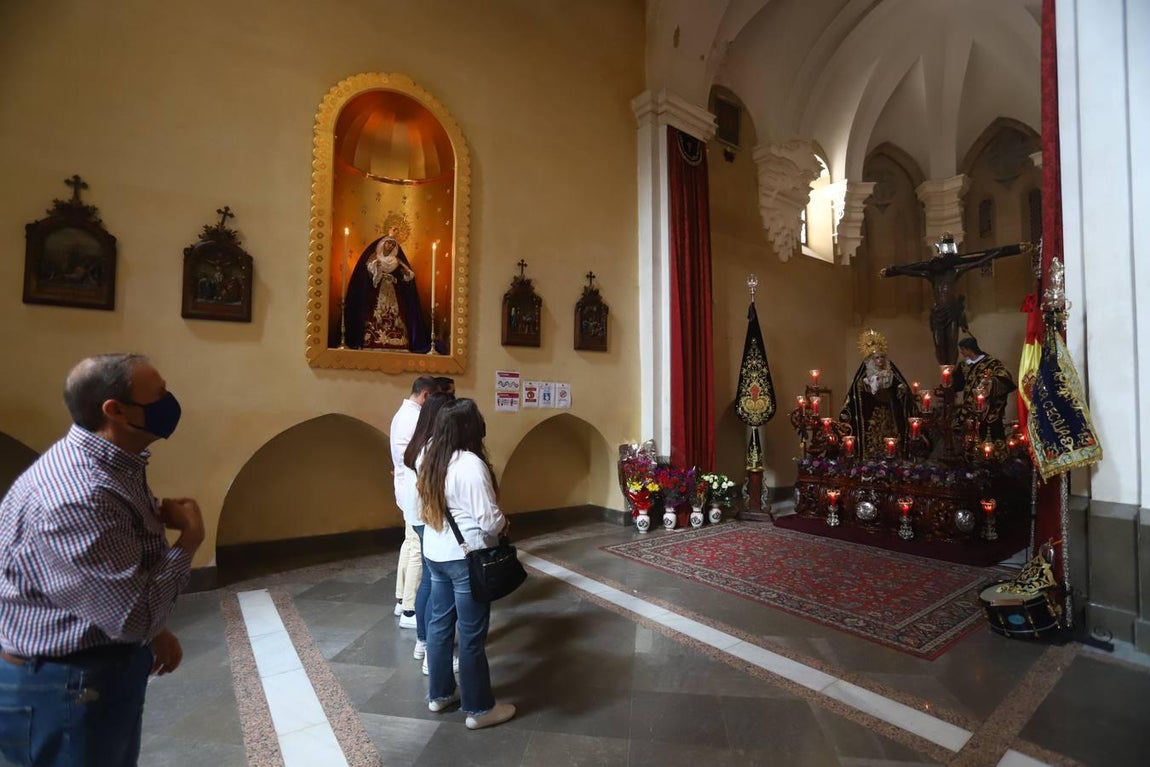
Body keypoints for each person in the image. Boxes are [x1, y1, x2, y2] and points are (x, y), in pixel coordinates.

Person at [0, 354, 203, 767]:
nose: (169, 401)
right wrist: (189, 541)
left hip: (96, 666)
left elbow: (111, 584)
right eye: (159, 394)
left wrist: (153, 630)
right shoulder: (79, 495)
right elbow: (130, 618)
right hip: (66, 686)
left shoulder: (113, 464)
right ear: (116, 410)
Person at [417, 398, 515, 730]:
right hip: (465, 557)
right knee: (472, 636)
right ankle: (480, 708)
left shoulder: (428, 454)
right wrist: (504, 524)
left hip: (435, 552)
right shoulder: (470, 464)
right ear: (471, 428)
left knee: (439, 626)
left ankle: (441, 693)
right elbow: (488, 519)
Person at [880, 234, 1031, 365]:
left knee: (952, 344)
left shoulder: (955, 271)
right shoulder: (932, 275)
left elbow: (979, 260)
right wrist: (894, 270)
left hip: (952, 311)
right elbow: (912, 272)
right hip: (938, 313)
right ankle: (944, 372)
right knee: (939, 344)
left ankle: (949, 375)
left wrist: (1012, 250)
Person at [402, 391, 456, 668]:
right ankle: (429, 646)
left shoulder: (419, 442)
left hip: (420, 514)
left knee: (428, 580)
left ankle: (423, 642)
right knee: (434, 586)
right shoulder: (434, 447)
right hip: (430, 520)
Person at [390, 376, 439, 629]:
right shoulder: (414, 417)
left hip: (405, 487)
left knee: (410, 544)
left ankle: (402, 599)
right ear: (427, 396)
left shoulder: (402, 414)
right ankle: (410, 610)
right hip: (414, 490)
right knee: (419, 551)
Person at [344, 235, 432, 351]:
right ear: (383, 243)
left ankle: (397, 338)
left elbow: (406, 278)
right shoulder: (374, 258)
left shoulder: (397, 261)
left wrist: (406, 274)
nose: (390, 246)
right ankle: (372, 337)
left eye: (393, 244)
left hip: (392, 292)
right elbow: (368, 278)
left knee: (394, 314)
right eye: (388, 243)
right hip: (376, 292)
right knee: (375, 313)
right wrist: (377, 270)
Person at [839, 329, 918, 459]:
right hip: (871, 415)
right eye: (877, 358)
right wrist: (864, 389)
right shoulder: (865, 375)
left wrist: (901, 390)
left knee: (890, 436)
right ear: (872, 360)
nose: (880, 360)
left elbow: (900, 387)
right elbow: (855, 394)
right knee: (873, 439)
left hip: (889, 412)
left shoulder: (890, 372)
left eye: (882, 357)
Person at [954, 336, 1017, 444]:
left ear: (969, 349)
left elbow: (1005, 378)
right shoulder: (964, 365)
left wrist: (990, 384)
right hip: (969, 409)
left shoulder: (991, 363)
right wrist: (948, 382)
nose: (961, 352)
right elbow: (958, 385)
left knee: (989, 436)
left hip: (988, 409)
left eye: (963, 349)